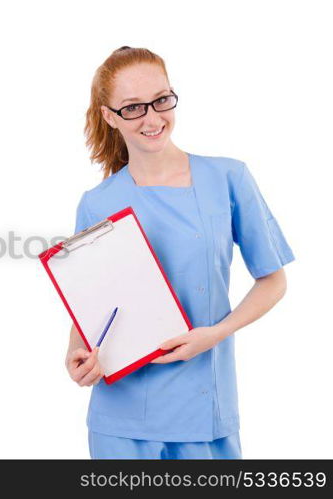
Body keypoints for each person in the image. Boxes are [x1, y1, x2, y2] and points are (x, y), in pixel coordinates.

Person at [64, 47, 293, 459]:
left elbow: (273, 281)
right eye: (133, 108)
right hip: (121, 422)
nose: (153, 119)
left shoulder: (227, 177)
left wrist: (216, 334)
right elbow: (91, 306)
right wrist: (76, 355)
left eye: (161, 100)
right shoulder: (97, 203)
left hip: (204, 411)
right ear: (109, 116)